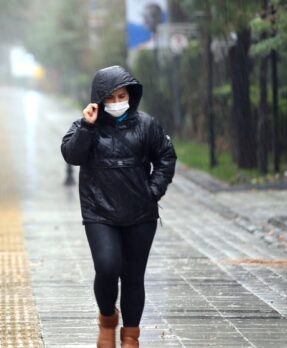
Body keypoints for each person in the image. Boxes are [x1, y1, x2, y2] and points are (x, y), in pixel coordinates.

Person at [61, 65, 176, 347]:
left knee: (134, 277)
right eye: (109, 98)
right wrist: (88, 126)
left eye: (120, 96)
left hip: (140, 214)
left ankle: (130, 337)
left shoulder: (147, 125)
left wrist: (153, 191)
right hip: (99, 212)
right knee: (107, 267)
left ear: (130, 95)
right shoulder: (84, 125)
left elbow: (166, 157)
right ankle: (107, 318)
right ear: (98, 99)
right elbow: (71, 156)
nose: (115, 103)